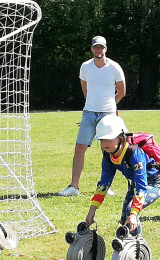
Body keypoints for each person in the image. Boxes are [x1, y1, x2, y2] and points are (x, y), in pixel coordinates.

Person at [58, 36, 126, 196]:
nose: (98, 50)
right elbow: (85, 89)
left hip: (108, 114)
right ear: (92, 49)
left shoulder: (115, 67)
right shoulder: (86, 67)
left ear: (106, 49)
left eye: (101, 47)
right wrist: (92, 103)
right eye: (96, 47)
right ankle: (74, 187)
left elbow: (122, 92)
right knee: (80, 148)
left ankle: (106, 185)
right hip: (88, 112)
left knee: (109, 149)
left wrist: (110, 105)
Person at [85, 115, 160, 236]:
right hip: (135, 185)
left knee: (130, 212)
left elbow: (141, 185)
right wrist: (92, 210)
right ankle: (126, 247)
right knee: (124, 221)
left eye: (109, 139)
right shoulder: (108, 155)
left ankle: (138, 247)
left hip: (154, 183)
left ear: (121, 138)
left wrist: (133, 214)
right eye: (102, 140)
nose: (105, 143)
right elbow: (103, 184)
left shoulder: (134, 154)